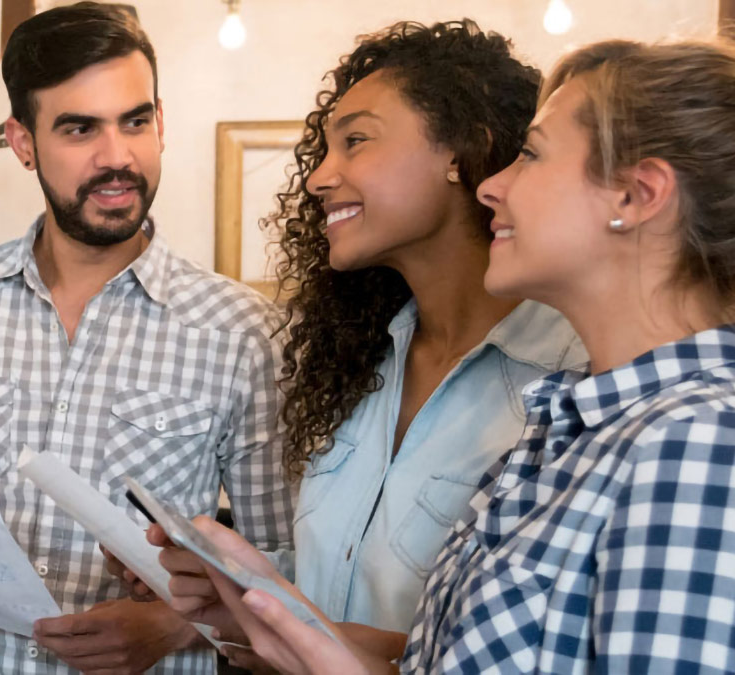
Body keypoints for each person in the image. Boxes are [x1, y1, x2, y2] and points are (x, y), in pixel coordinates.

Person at [160, 37, 735, 675]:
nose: (495, 185)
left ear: (635, 195)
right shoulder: (566, 423)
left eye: (532, 155)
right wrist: (267, 605)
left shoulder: (697, 443)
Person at [109, 19, 582, 668]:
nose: (318, 178)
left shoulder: (575, 376)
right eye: (326, 150)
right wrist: (229, 587)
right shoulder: (359, 370)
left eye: (356, 140)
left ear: (463, 150)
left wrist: (293, 623)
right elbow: (333, 585)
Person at [0, 3, 293, 673]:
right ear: (22, 142)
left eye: (136, 121)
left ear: (161, 123)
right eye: (79, 129)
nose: (118, 157)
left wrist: (175, 625)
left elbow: (285, 570)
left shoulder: (242, 331)